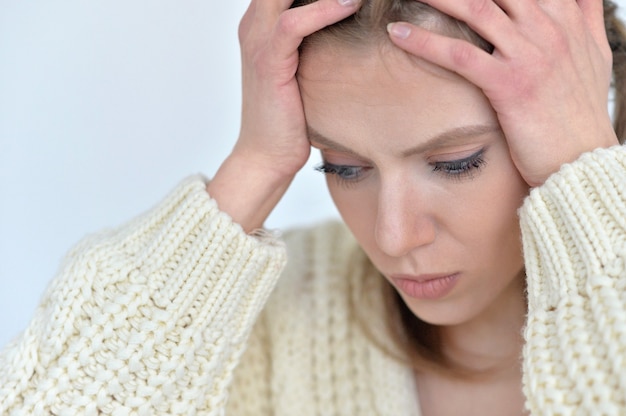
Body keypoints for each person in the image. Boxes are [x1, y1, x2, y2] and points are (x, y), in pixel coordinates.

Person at [1, 0, 625, 414]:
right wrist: (252, 168)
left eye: (455, 162)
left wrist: (584, 168)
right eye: (343, 167)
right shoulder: (268, 325)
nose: (395, 235)